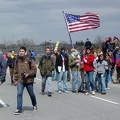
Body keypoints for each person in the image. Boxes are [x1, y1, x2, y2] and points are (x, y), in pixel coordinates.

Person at [14, 46, 37, 115]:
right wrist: (15, 80)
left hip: (28, 80)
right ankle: (19, 109)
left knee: (31, 94)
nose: (21, 52)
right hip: (20, 81)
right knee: (19, 93)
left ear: (25, 52)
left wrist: (28, 74)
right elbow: (15, 71)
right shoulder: (17, 60)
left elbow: (34, 69)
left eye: (22, 51)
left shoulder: (30, 60)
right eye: (20, 51)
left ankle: (34, 104)